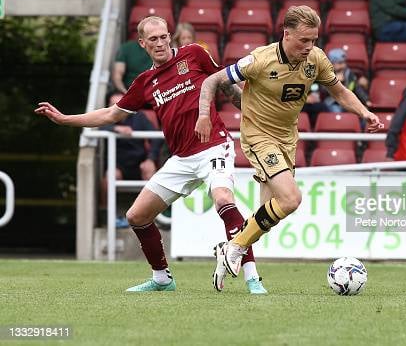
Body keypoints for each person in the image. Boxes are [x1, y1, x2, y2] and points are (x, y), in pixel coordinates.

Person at [35, 16, 267, 294]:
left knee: (223, 199)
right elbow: (111, 114)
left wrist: (252, 113)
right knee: (136, 216)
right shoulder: (145, 82)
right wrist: (65, 119)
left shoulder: (193, 54)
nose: (160, 43)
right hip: (181, 158)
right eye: (153, 39)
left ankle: (253, 279)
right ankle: (162, 279)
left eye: (163, 37)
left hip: (214, 147)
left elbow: (225, 84)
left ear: (170, 37)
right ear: (142, 44)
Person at [195, 5, 383, 287]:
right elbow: (214, 80)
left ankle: (230, 247)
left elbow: (340, 92)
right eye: (304, 40)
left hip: (287, 138)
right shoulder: (260, 60)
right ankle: (235, 248)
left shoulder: (316, 60)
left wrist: (364, 112)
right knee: (291, 199)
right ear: (286, 34)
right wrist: (204, 114)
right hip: (259, 135)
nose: (310, 47)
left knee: (266, 214)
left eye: (314, 40)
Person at [99, 91, 163, 211]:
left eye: (120, 104)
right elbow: (96, 126)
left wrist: (150, 159)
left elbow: (156, 137)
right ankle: (106, 214)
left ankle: (154, 216)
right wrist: (116, 128)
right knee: (110, 177)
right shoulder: (106, 117)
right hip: (118, 165)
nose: (117, 108)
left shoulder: (139, 116)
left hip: (139, 163)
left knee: (150, 171)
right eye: (113, 105)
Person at [323, 48, 370, 113]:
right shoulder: (326, 74)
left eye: (344, 62)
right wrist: (335, 82)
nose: (343, 65)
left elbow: (357, 88)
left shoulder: (349, 73)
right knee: (336, 110)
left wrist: (366, 100)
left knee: (363, 111)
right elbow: (323, 91)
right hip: (333, 102)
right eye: (339, 63)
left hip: (348, 102)